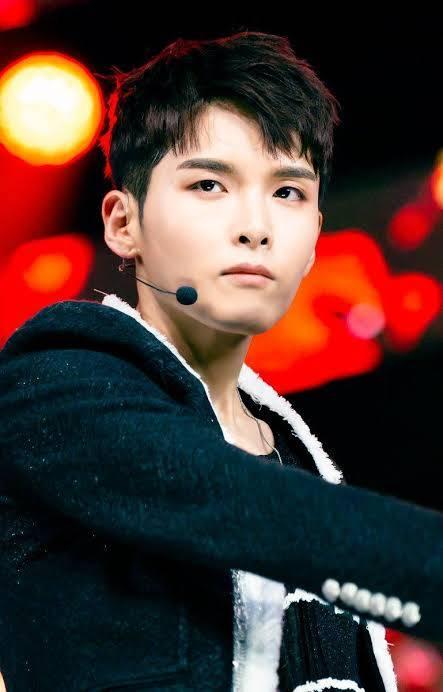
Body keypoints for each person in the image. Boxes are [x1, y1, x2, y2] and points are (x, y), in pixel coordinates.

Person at [0, 30, 441, 692]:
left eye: (287, 192)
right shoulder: (57, 377)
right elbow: (235, 504)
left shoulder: (294, 453)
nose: (255, 226)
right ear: (123, 224)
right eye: (209, 184)